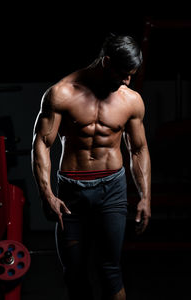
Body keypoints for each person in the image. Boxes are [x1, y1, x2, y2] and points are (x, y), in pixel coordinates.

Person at [31, 33, 151, 300]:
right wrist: (47, 194)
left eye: (131, 75)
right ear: (106, 62)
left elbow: (139, 148)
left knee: (110, 270)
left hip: (112, 190)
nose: (127, 81)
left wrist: (145, 197)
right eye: (123, 74)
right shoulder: (61, 93)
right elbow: (42, 143)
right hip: (71, 192)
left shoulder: (131, 100)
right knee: (73, 272)